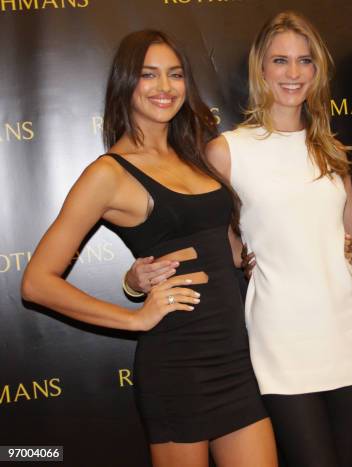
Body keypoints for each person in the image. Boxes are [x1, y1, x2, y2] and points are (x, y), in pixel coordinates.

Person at [127, 12, 352, 467]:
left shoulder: (330, 150)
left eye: (304, 61)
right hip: (279, 342)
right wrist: (136, 278)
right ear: (260, 69)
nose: (293, 73)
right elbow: (201, 236)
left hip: (351, 337)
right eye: (280, 60)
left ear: (317, 70)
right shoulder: (227, 151)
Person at [21, 30, 277, 467]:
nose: (165, 87)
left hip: (236, 357)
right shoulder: (108, 173)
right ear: (127, 83)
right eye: (149, 75)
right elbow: (36, 283)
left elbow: (221, 246)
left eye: (175, 75)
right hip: (177, 366)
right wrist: (135, 317)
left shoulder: (192, 151)